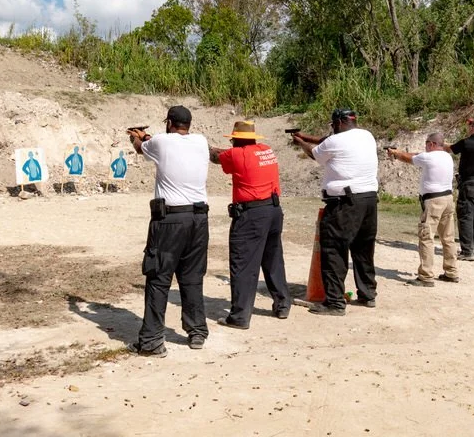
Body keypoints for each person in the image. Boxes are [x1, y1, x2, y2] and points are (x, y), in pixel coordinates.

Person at [126, 105, 210, 356]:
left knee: (158, 277)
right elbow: (167, 145)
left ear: (170, 123)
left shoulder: (160, 142)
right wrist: (149, 137)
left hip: (170, 221)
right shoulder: (201, 141)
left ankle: (151, 341)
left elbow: (142, 148)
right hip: (198, 219)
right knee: (192, 276)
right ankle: (197, 332)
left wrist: (136, 137)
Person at [292, 109, 379, 315]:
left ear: (339, 122)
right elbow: (330, 140)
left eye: (333, 125)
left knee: (333, 249)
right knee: (363, 249)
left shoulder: (335, 142)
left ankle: (334, 302)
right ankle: (368, 295)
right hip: (368, 200)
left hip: (345, 203)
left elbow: (315, 153)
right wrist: (306, 136)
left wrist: (300, 142)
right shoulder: (366, 135)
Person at [210, 120, 290, 329]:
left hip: (252, 214)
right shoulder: (266, 151)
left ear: (236, 139)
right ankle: (282, 304)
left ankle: (239, 316)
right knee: (273, 259)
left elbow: (217, 157)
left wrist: (203, 146)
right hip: (273, 210)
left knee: (243, 264)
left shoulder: (237, 155)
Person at [387, 133, 458, 286]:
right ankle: (451, 272)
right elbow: (419, 155)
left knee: (426, 237)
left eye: (426, 144)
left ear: (432, 144)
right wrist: (398, 152)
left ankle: (426, 276)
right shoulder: (446, 156)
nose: (425, 147)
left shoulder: (429, 157)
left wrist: (397, 154)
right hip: (448, 199)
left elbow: (410, 158)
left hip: (433, 201)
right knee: (448, 237)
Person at [446, 118, 474, 261]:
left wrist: (442, 143)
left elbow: (450, 149)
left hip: (470, 183)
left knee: (466, 215)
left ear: (471, 127)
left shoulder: (466, 143)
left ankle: (467, 251)